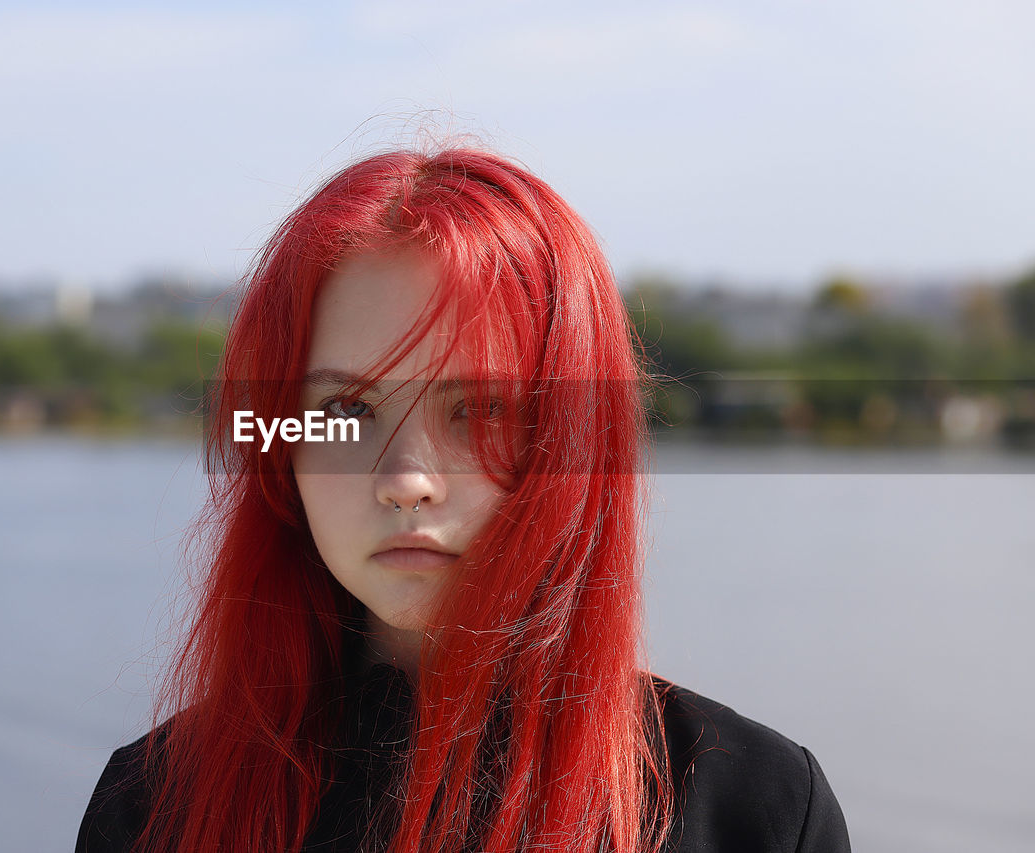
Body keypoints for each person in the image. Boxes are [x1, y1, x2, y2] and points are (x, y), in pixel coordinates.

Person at [75, 147, 851, 852]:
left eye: (479, 410)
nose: (407, 478)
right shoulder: (153, 808)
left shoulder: (754, 809)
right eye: (346, 410)